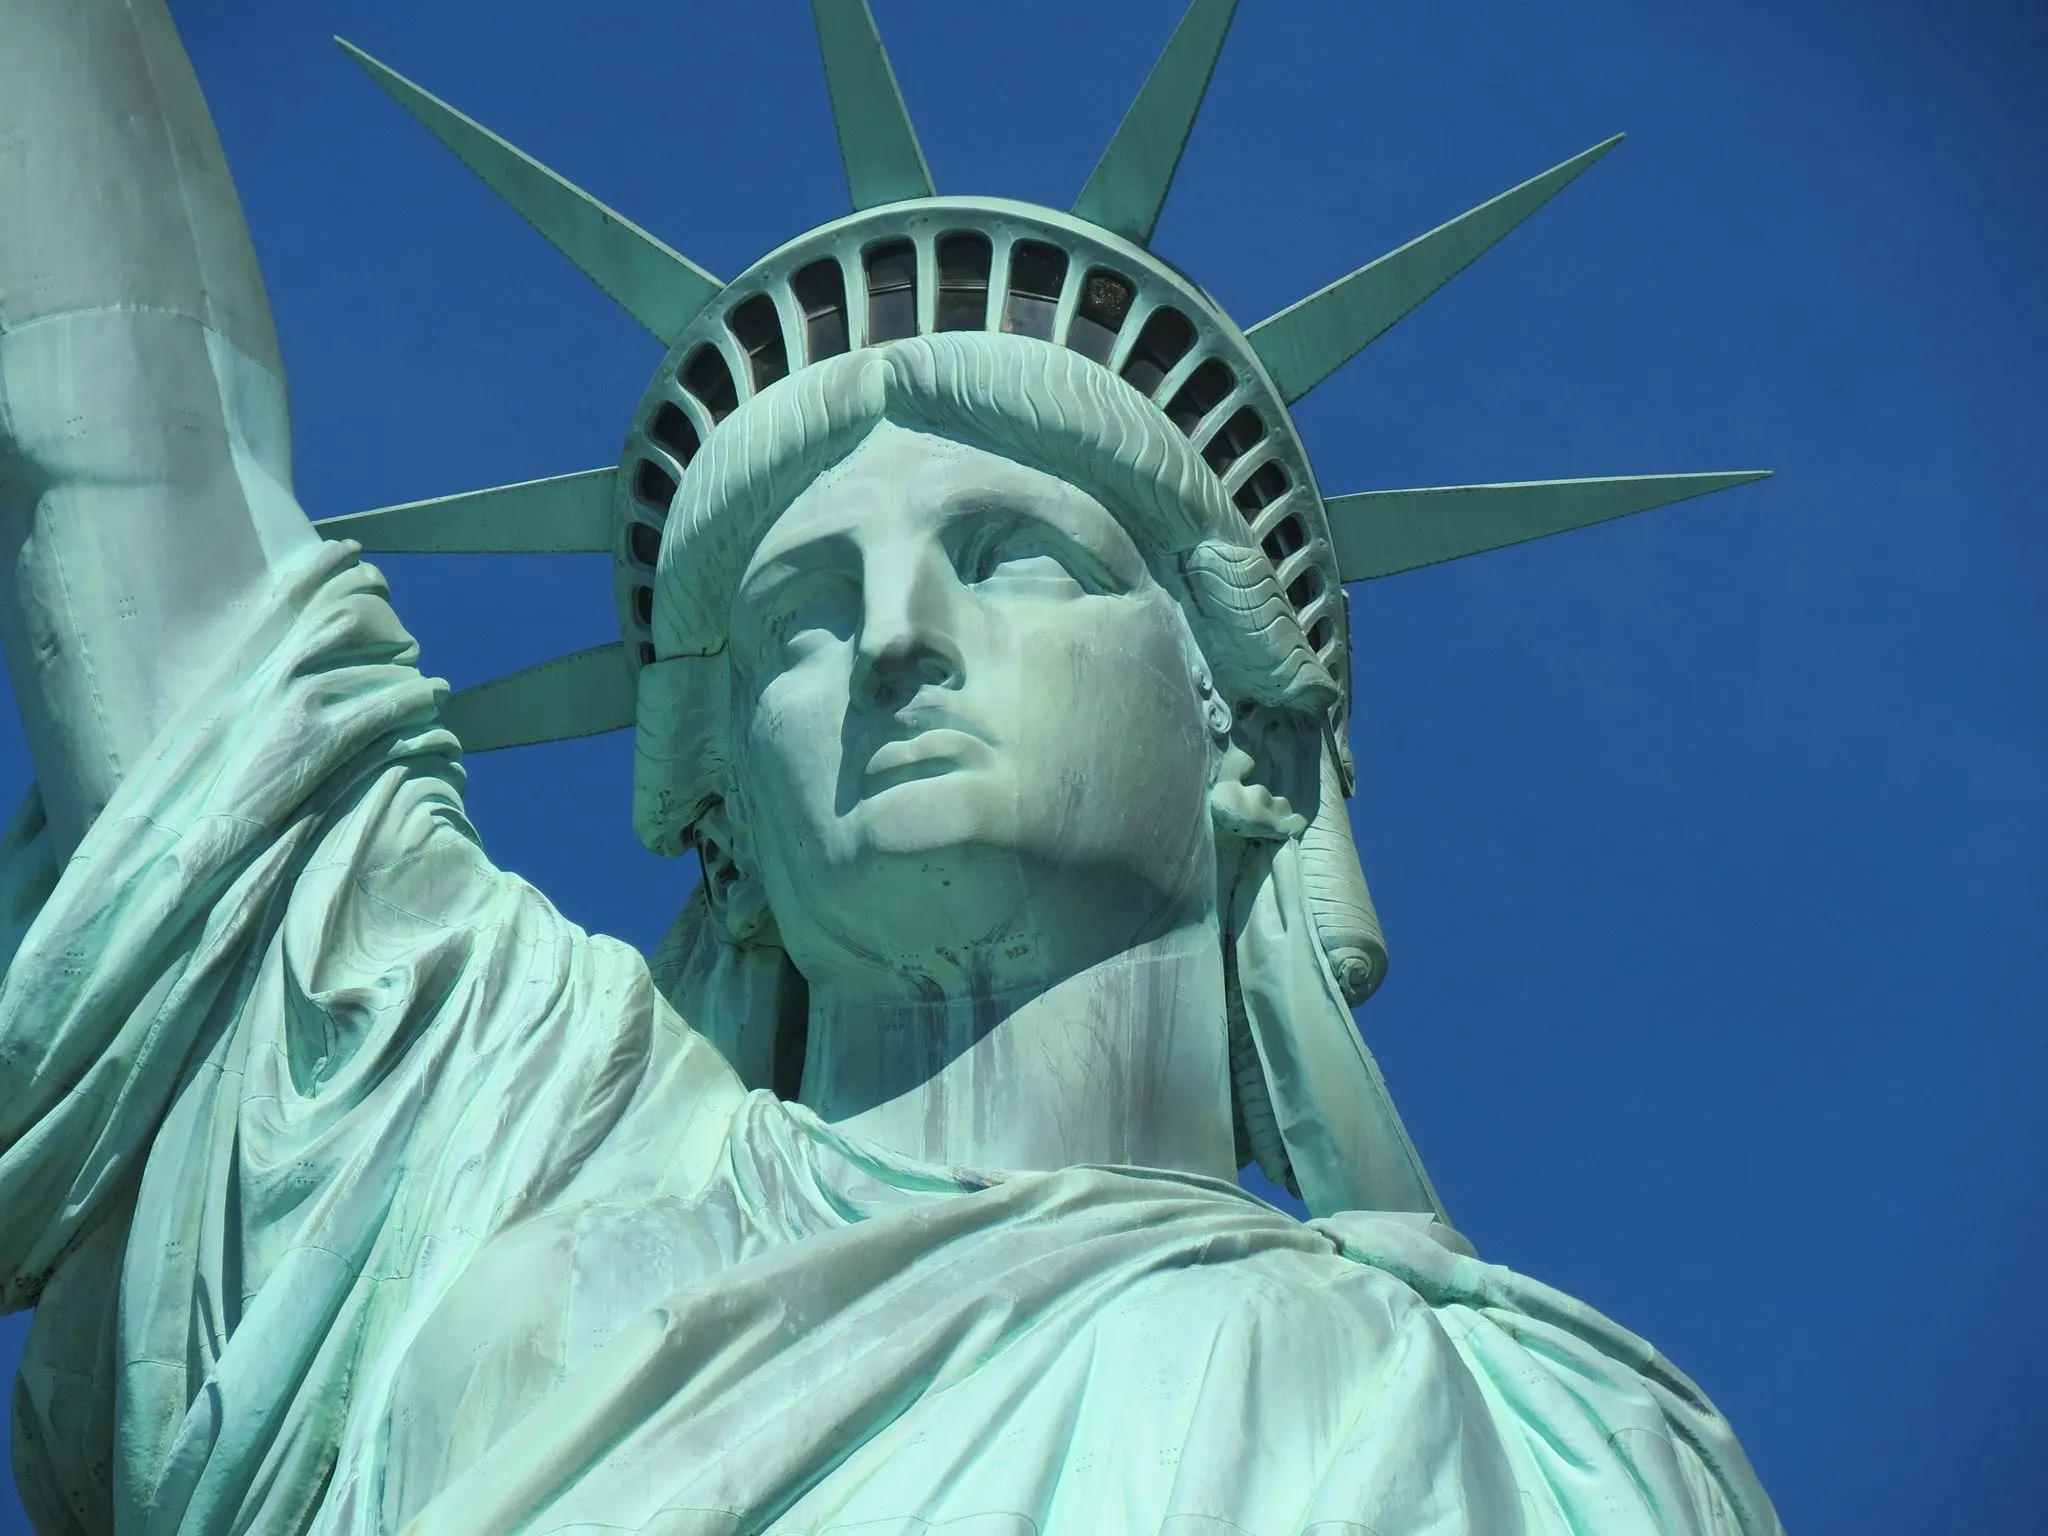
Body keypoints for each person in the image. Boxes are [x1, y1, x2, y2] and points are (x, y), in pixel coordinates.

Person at [0, 2, 1783, 1532]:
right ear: (725, 819)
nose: (896, 639)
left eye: (1015, 557)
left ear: (1244, 727)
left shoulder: (1540, 1434)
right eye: (796, 617)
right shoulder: (470, 1154)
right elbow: (119, 439)